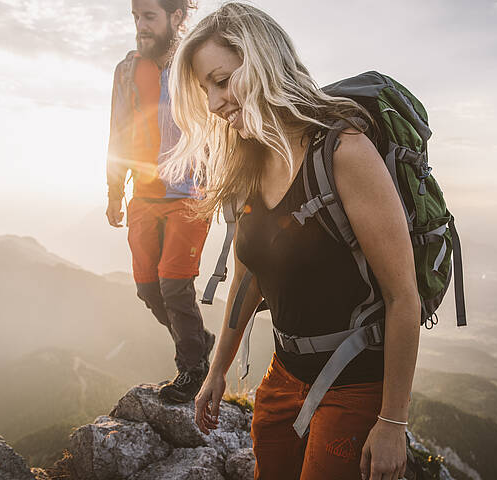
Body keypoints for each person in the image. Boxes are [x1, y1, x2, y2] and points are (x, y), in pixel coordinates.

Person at [163, 3, 421, 479]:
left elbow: (404, 296)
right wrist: (217, 369)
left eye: (221, 81)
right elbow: (248, 275)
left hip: (355, 384)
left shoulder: (345, 153)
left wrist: (392, 421)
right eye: (206, 90)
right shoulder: (247, 164)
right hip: (283, 376)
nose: (215, 102)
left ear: (263, 62)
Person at [105, 0, 215, 403]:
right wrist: (114, 191)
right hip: (144, 194)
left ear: (177, 17)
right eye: (136, 18)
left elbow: (225, 122)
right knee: (148, 288)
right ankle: (200, 340)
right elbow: (118, 131)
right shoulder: (127, 71)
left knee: (174, 284)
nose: (140, 27)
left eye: (148, 17)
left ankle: (192, 369)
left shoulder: (197, 64)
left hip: (192, 194)